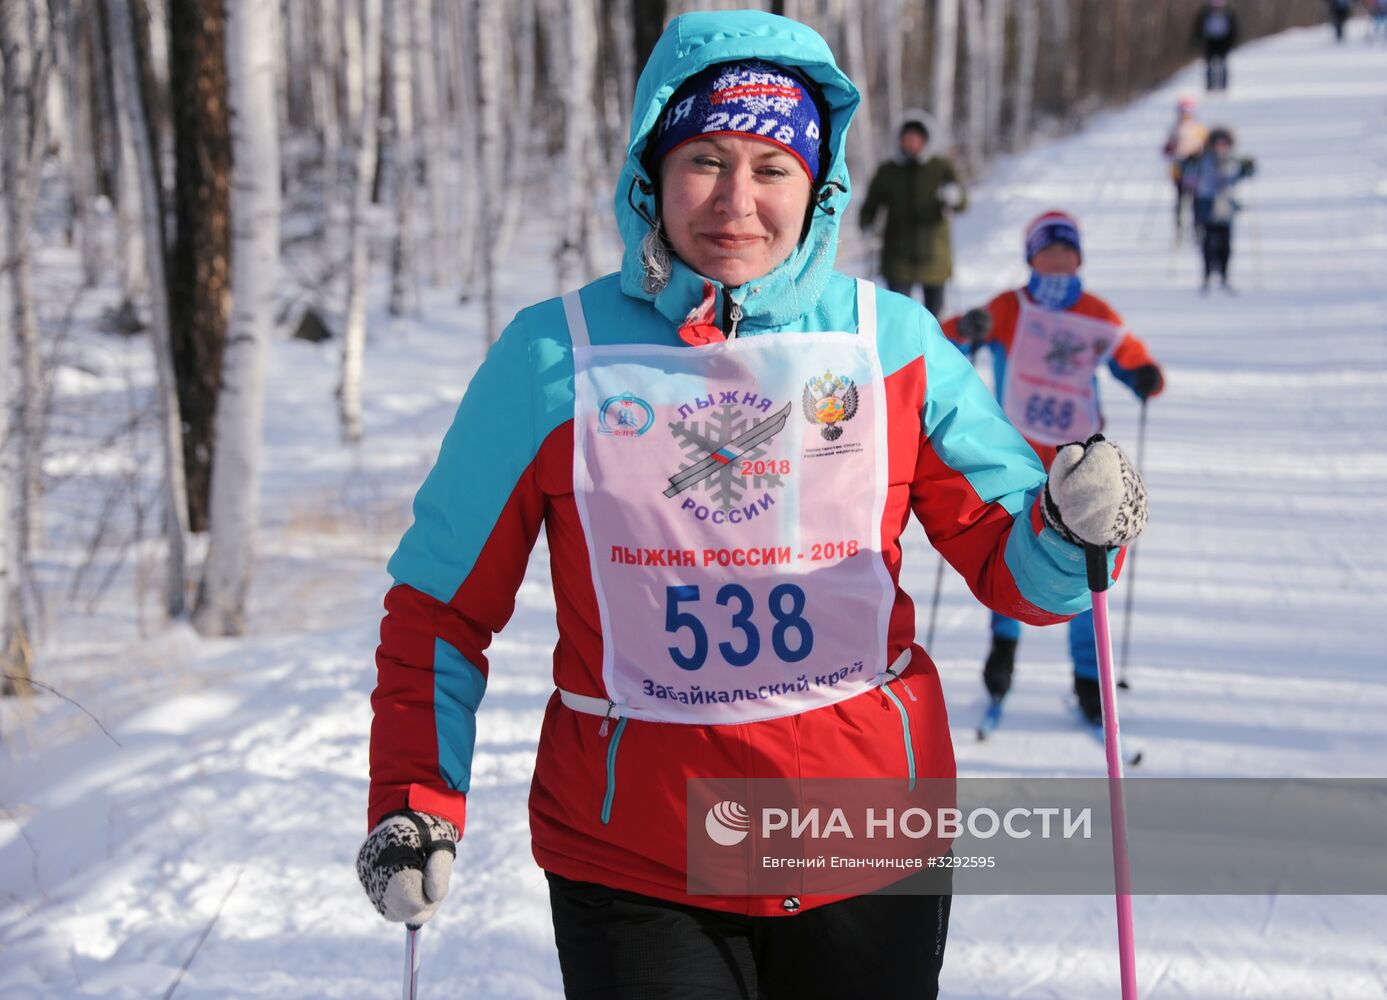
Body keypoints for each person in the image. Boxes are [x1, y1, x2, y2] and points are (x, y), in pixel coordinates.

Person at [355, 12, 1147, 999]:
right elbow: (438, 604)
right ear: (652, 170)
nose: (737, 202)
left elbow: (1014, 564)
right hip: (637, 856)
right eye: (705, 160)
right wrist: (415, 798)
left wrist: (1069, 530)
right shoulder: (552, 358)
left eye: (772, 168)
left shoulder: (889, 345)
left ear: (818, 187)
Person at [940, 211, 1164, 725]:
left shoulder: (1094, 313)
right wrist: (967, 330)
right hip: (1017, 457)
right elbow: (948, 344)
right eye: (1048, 251)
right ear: (1032, 258)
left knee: (1085, 568)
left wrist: (1144, 375)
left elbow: (1129, 356)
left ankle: (1088, 678)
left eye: (1066, 252)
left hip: (1082, 465)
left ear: (1078, 258)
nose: (1058, 261)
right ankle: (1002, 655)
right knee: (1012, 557)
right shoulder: (1010, 307)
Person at [859, 110, 968, 317]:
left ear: (925, 140)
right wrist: (868, 227)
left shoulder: (941, 167)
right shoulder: (888, 170)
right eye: (907, 138)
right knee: (898, 314)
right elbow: (869, 207)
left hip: (935, 256)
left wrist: (955, 197)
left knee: (934, 316)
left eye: (915, 139)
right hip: (897, 258)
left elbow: (962, 204)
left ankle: (931, 339)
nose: (911, 143)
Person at [1181, 126, 1256, 292]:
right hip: (1206, 204)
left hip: (1225, 206)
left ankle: (1224, 276)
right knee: (1208, 243)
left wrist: (1245, 171)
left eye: (1224, 144)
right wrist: (1187, 166)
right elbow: (1190, 181)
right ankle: (1207, 276)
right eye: (1218, 143)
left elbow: (1233, 180)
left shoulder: (1232, 161)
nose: (1221, 147)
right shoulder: (1202, 160)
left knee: (1225, 245)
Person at [1162, 96, 1208, 238]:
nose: (1185, 115)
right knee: (1180, 200)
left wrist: (1198, 155)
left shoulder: (1199, 129)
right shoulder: (1174, 129)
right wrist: (1170, 150)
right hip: (1178, 170)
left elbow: (1207, 148)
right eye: (1182, 112)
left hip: (1195, 170)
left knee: (1195, 200)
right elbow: (1166, 147)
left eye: (1187, 112)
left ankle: (1197, 227)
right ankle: (1179, 228)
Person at [1192, 0, 1239, 91]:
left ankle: (1223, 85)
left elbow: (1233, 30)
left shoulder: (1228, 14)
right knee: (1209, 64)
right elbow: (1199, 28)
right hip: (1210, 42)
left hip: (1223, 42)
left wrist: (1231, 42)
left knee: (1223, 64)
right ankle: (1209, 85)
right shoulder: (1204, 14)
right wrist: (1199, 41)